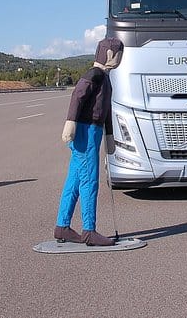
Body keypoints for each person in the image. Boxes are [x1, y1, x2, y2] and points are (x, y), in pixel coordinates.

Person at [54, 37, 124, 246]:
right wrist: (70, 122)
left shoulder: (105, 78)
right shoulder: (94, 75)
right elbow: (77, 96)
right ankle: (89, 230)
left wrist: (109, 137)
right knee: (89, 181)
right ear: (110, 54)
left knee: (74, 181)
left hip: (94, 131)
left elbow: (106, 110)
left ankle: (62, 226)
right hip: (86, 132)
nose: (120, 59)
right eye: (119, 54)